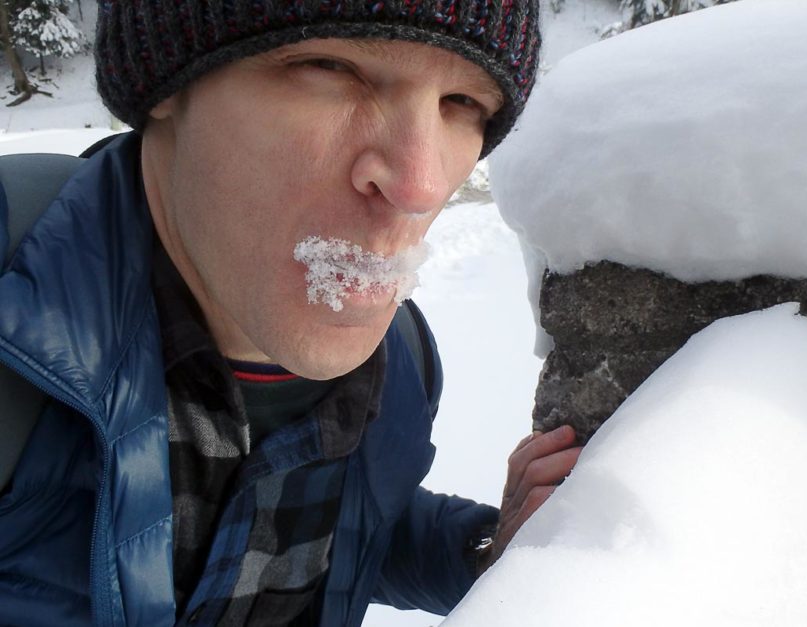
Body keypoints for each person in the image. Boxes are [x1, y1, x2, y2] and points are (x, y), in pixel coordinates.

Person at [0, 1, 582, 626]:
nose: (422, 185)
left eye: (463, 104)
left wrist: (483, 556)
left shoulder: (401, 358)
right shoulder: (21, 301)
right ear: (166, 85)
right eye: (330, 66)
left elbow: (339, 527)